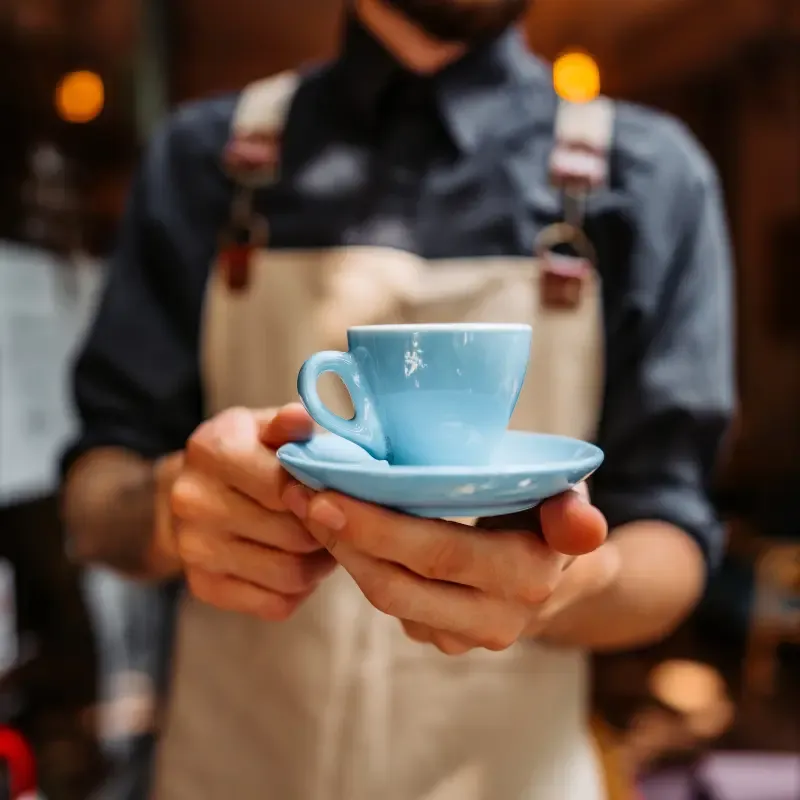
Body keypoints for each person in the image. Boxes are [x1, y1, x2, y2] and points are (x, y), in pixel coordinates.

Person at [61, 1, 734, 798]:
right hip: (228, 769)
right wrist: (171, 510)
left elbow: (673, 531)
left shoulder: (652, 176)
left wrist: (576, 586)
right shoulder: (200, 159)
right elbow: (93, 496)